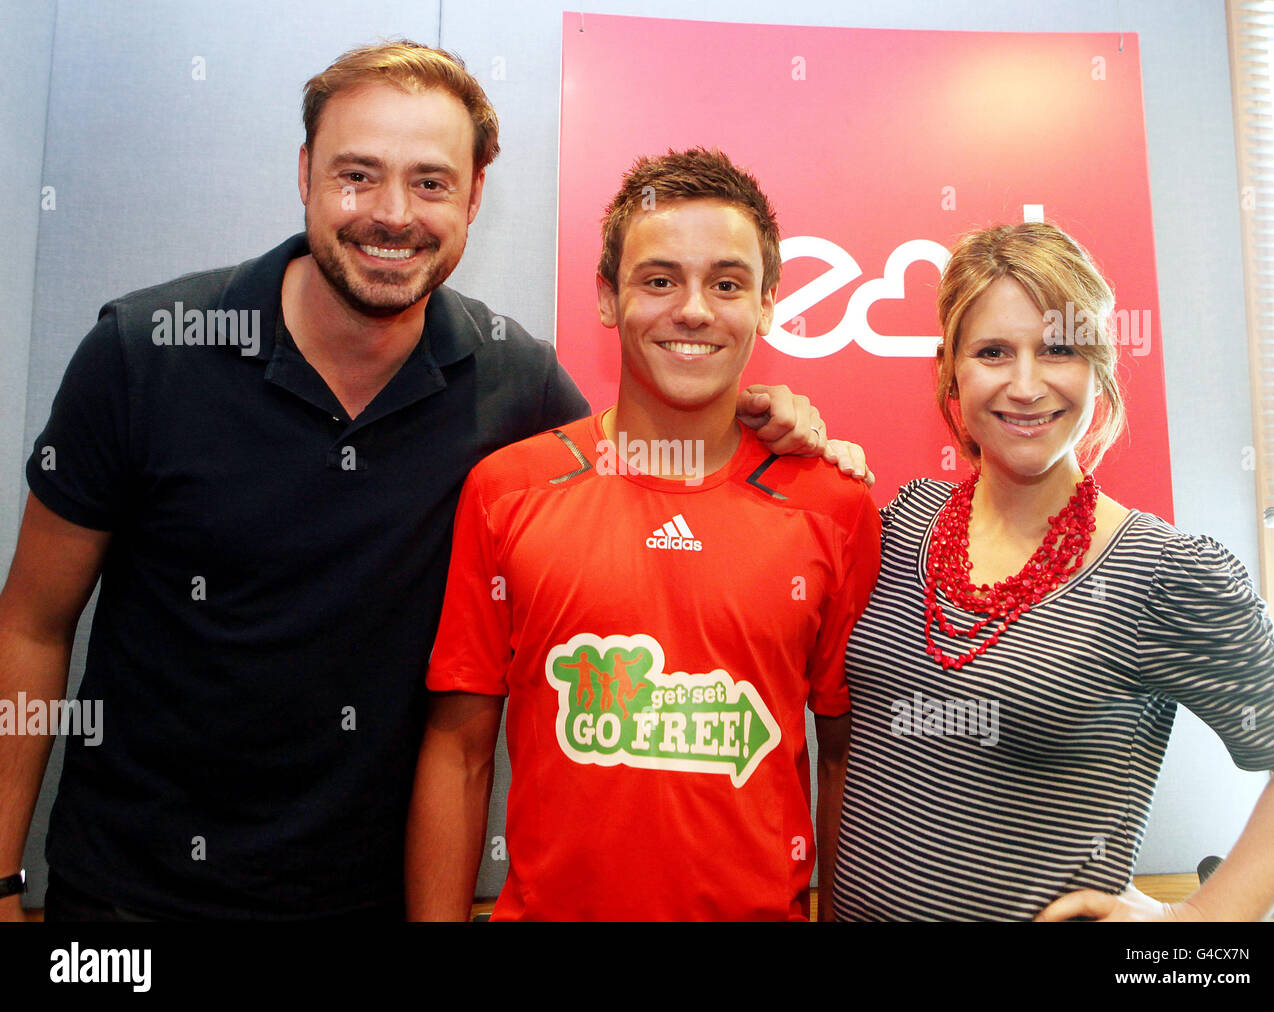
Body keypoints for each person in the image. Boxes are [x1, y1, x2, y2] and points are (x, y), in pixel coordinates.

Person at [0, 42, 851, 922]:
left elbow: (644, 442)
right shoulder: (144, 352)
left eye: (433, 182)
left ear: (476, 195)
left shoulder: (513, 384)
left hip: (370, 901)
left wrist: (771, 413)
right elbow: (29, 624)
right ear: (305, 174)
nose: (393, 214)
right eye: (358, 175)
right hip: (129, 903)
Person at [405, 149, 882, 921]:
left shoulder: (835, 507)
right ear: (606, 295)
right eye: (659, 280)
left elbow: (848, 759)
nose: (692, 309)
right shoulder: (507, 492)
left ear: (766, 306)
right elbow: (459, 751)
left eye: (727, 284)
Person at [832, 221, 1274, 921]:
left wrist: (1197, 924)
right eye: (993, 351)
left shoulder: (1165, 575)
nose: (1026, 385)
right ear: (949, 370)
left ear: (1098, 365)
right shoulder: (902, 523)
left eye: (1058, 349)